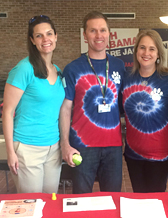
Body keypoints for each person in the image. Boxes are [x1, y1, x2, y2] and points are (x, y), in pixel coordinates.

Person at [59, 11, 126, 194]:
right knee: (81, 200)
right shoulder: (73, 69)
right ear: (85, 35)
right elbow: (65, 109)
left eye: (103, 30)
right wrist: (65, 143)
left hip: (113, 146)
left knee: (113, 199)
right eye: (93, 31)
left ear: (109, 34)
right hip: (82, 146)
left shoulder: (119, 66)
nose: (98, 35)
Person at [2, 15, 65, 193]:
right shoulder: (24, 69)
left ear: (56, 36)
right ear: (32, 40)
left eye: (49, 34)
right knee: (32, 205)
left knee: (50, 201)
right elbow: (7, 112)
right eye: (39, 36)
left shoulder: (58, 70)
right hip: (27, 148)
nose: (45, 39)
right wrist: (10, 152)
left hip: (53, 148)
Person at [121, 29, 168, 193]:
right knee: (138, 201)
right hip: (133, 153)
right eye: (142, 48)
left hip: (161, 154)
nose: (146, 53)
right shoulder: (126, 77)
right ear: (136, 51)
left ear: (159, 53)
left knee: (156, 200)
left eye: (152, 49)